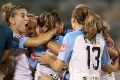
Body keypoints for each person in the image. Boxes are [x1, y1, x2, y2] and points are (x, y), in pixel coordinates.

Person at [38, 4, 119, 80]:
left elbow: (58, 66)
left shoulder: (70, 37)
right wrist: (115, 67)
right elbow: (106, 67)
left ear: (73, 20)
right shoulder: (100, 38)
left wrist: (48, 59)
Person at [1, 3, 62, 80]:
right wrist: (55, 29)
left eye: (26, 15)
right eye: (23, 16)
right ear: (12, 20)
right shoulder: (10, 36)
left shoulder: (23, 41)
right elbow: (37, 41)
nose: (26, 18)